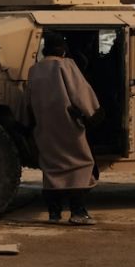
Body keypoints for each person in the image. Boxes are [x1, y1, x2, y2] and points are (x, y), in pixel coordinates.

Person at [21, 32, 100, 224]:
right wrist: (93, 115)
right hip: (68, 125)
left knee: (52, 168)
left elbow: (27, 102)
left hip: (44, 126)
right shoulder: (66, 65)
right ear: (62, 49)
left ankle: (54, 214)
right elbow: (80, 93)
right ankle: (78, 213)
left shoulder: (34, 70)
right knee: (80, 164)